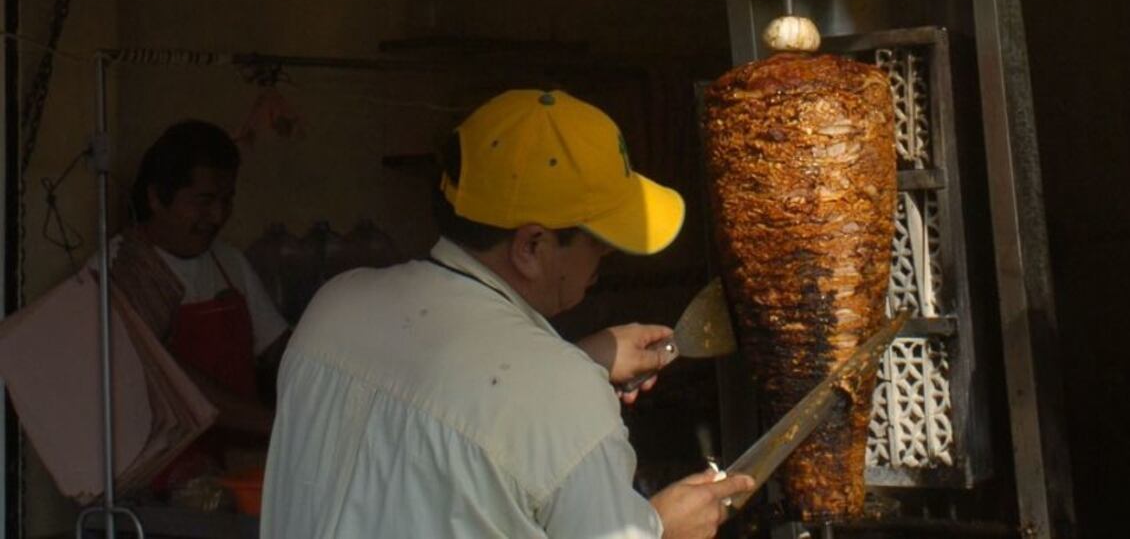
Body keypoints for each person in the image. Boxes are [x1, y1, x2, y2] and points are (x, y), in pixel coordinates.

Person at [261, 90, 752, 538]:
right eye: (599, 245)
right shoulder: (561, 397)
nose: (605, 259)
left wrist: (576, 361)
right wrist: (662, 530)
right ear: (532, 245)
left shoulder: (335, 305)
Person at [116, 120, 290, 484]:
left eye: (227, 201)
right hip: (161, 485)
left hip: (239, 473)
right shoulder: (120, 271)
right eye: (204, 201)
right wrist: (276, 422)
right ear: (155, 197)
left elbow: (281, 350)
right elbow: (166, 374)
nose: (218, 216)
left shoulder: (230, 263)